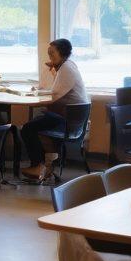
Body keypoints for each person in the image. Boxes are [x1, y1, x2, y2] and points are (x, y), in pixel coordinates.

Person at [21, 39, 87, 180]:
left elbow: (54, 95)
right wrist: (55, 69)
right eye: (48, 53)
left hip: (68, 121)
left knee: (28, 128)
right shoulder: (68, 66)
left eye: (52, 53)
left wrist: (38, 92)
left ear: (62, 53)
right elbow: (56, 92)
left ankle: (39, 166)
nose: (49, 56)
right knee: (37, 121)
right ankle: (45, 165)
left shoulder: (66, 69)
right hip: (72, 119)